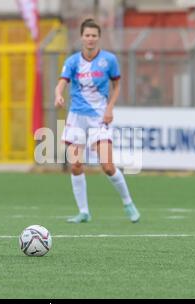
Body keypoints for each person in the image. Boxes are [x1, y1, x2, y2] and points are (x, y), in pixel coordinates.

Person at [54, 18, 140, 223]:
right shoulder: (73, 61)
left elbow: (117, 85)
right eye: (87, 35)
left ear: (99, 38)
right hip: (76, 117)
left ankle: (128, 203)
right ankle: (84, 212)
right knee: (75, 165)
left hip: (99, 117)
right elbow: (61, 83)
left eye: (94, 35)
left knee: (107, 166)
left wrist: (110, 108)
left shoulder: (109, 60)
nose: (90, 39)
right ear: (82, 37)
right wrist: (58, 94)